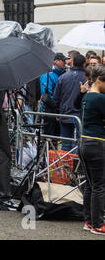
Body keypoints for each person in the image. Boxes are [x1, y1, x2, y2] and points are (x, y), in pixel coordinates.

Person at [79, 65, 105, 235]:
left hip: (84, 142)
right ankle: (98, 224)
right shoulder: (100, 98)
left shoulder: (87, 96)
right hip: (97, 143)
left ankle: (89, 221)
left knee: (90, 185)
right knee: (99, 186)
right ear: (101, 80)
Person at [53, 54, 86, 152]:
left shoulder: (63, 77)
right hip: (80, 116)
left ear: (72, 62)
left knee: (66, 144)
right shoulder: (86, 79)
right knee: (78, 144)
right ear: (84, 64)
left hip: (65, 113)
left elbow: (56, 98)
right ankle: (75, 166)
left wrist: (57, 112)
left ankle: (65, 166)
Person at [39, 52, 68, 136]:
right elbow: (45, 95)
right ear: (56, 62)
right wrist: (56, 107)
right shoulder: (48, 75)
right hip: (49, 110)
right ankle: (47, 148)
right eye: (63, 60)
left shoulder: (61, 74)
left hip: (58, 110)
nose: (65, 62)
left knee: (56, 136)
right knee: (49, 135)